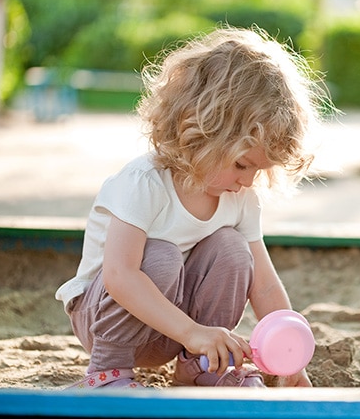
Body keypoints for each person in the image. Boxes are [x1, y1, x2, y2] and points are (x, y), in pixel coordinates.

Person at [54, 26, 329, 389]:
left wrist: (291, 357)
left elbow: (263, 286)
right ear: (202, 133)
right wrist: (192, 330)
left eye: (258, 170)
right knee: (162, 256)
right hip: (105, 319)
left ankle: (202, 366)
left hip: (179, 333)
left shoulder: (240, 197)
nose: (247, 181)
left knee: (232, 249)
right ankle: (108, 373)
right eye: (243, 165)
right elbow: (120, 276)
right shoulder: (144, 183)